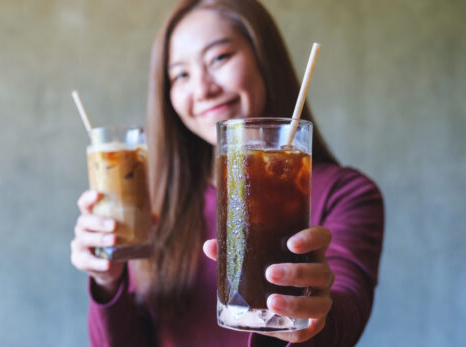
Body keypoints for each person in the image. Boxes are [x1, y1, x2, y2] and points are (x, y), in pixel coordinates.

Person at [69, 0, 385, 346]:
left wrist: (314, 315)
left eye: (219, 58)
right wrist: (107, 281)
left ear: (264, 58)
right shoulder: (158, 205)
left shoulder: (347, 193)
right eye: (181, 75)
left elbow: (347, 315)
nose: (202, 89)